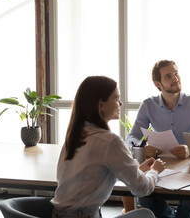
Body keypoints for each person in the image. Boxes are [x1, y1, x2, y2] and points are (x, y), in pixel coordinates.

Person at [51, 76, 166, 218]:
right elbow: (142, 189)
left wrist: (137, 171)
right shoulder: (110, 142)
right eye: (116, 99)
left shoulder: (75, 135)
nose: (121, 103)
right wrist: (155, 171)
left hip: (59, 215)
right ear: (101, 105)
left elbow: (95, 174)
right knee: (146, 214)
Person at [124, 60, 190, 218]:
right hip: (160, 165)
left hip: (189, 166)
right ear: (158, 84)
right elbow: (132, 137)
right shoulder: (148, 105)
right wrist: (141, 147)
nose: (176, 78)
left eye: (176, 73)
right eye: (169, 76)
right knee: (145, 196)